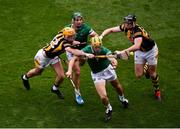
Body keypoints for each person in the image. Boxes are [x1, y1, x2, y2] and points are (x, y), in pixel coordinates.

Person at [66, 36, 129, 122]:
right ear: (91, 45)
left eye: (99, 46)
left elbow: (112, 58)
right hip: (97, 74)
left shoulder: (104, 50)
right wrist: (69, 70)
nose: (98, 48)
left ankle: (122, 99)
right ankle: (109, 108)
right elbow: (73, 59)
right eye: (96, 46)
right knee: (103, 97)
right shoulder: (86, 50)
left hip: (108, 70)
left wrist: (114, 63)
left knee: (117, 87)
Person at [100, 14, 161, 101]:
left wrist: (122, 52)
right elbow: (111, 30)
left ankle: (157, 91)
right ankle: (146, 67)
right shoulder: (125, 27)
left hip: (151, 51)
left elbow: (136, 46)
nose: (126, 24)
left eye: (128, 23)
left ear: (133, 23)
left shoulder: (137, 31)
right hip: (140, 52)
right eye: (125, 22)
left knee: (152, 74)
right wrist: (101, 36)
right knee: (138, 75)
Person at [21, 27, 94, 99]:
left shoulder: (62, 33)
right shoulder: (64, 44)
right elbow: (73, 51)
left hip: (54, 56)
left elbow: (67, 33)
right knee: (38, 72)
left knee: (61, 76)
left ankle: (54, 88)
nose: (73, 38)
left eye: (73, 36)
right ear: (66, 36)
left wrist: (72, 41)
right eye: (71, 37)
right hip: (43, 57)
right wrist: (86, 54)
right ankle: (25, 77)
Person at [65, 12, 97, 104]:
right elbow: (62, 40)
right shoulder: (67, 29)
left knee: (81, 63)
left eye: (80, 20)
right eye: (77, 20)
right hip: (71, 51)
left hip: (82, 51)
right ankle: (77, 93)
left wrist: (94, 44)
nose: (79, 22)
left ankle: (70, 65)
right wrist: (72, 42)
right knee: (78, 72)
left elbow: (95, 36)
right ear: (73, 21)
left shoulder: (86, 28)